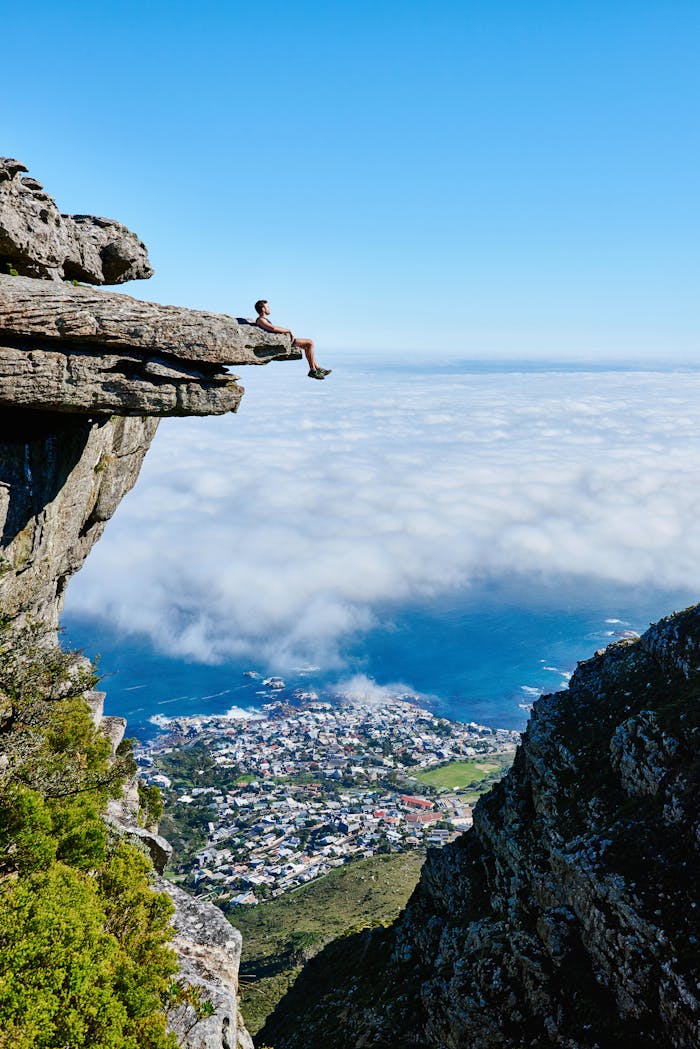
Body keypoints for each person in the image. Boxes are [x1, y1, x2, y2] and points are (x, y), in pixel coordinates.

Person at [254, 300, 331, 380]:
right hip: (281, 342)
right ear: (263, 309)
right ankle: (313, 370)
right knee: (310, 343)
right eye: (267, 307)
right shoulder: (260, 320)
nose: (269, 308)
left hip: (283, 340)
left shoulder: (263, 319)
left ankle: (317, 368)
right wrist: (288, 330)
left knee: (307, 346)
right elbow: (272, 328)